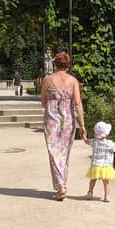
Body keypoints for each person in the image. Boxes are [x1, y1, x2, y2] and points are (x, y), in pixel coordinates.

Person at [41, 52, 87, 200]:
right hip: (68, 119)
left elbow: (43, 101)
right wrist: (83, 125)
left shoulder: (47, 80)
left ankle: (61, 185)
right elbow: (78, 103)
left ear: (55, 64)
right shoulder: (73, 80)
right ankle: (62, 183)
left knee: (54, 151)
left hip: (52, 120)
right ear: (68, 65)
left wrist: (53, 104)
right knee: (64, 152)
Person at [85, 121, 115, 202]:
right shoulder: (109, 143)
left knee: (93, 180)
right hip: (106, 166)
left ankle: (90, 193)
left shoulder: (94, 142)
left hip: (95, 165)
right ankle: (106, 196)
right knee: (106, 182)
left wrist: (83, 136)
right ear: (107, 133)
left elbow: (86, 141)